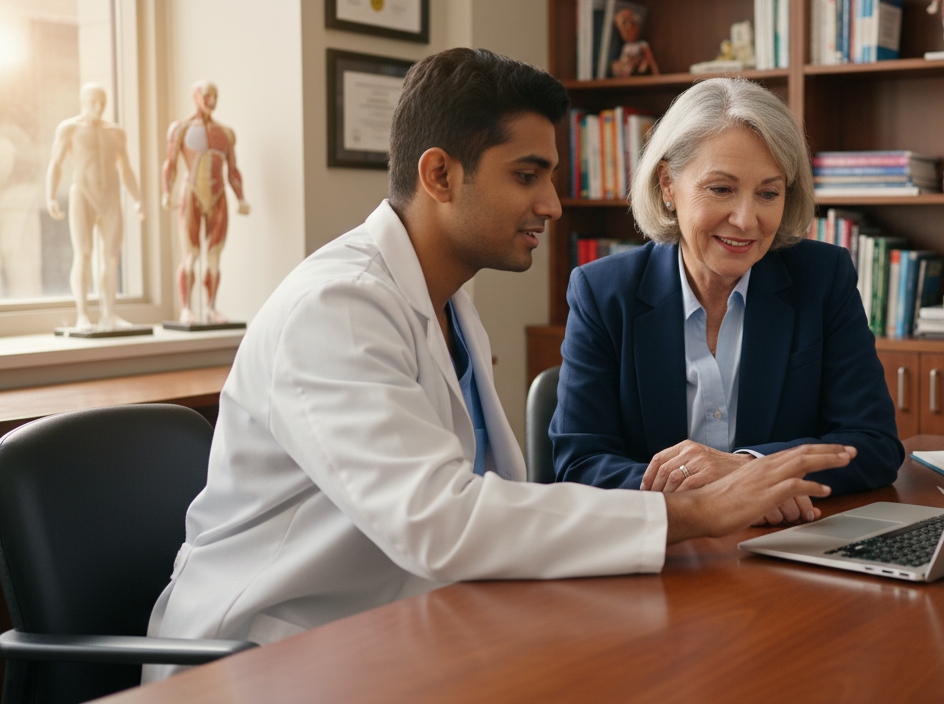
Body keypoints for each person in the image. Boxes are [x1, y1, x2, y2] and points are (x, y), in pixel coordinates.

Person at [144, 49, 854, 681]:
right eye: (527, 175)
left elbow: (489, 502)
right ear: (440, 175)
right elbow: (439, 521)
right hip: (266, 657)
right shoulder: (336, 308)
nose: (551, 202)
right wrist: (691, 512)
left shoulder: (448, 303)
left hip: (402, 630)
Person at [550, 78, 903, 526]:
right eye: (721, 189)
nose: (745, 219)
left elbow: (873, 443)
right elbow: (580, 464)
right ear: (667, 184)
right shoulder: (603, 292)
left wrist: (753, 467)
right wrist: (712, 499)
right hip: (660, 558)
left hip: (782, 554)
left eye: (769, 193)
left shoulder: (822, 278)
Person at [45, 83, 144, 329]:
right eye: (93, 101)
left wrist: (138, 199)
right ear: (83, 101)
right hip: (83, 194)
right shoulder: (69, 129)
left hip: (110, 197)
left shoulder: (116, 132)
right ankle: (82, 315)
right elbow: (56, 164)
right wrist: (51, 196)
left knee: (112, 257)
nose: (98, 106)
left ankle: (109, 314)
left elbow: (126, 169)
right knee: (84, 253)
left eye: (102, 101)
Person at [161, 81, 249, 325]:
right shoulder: (180, 129)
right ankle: (186, 308)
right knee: (190, 254)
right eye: (207, 95)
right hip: (191, 193)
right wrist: (166, 192)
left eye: (215, 95)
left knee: (214, 256)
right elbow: (170, 164)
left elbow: (232, 169)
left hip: (218, 195)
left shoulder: (226, 133)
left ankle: (211, 307)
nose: (212, 100)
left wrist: (241, 197)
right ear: (196, 96)